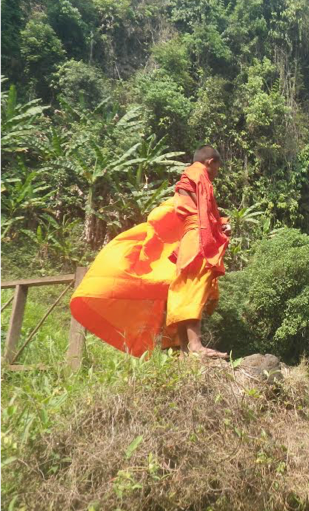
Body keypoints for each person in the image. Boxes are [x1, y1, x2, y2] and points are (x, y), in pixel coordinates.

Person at [70, 146, 230, 359]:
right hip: (197, 238)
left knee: (182, 288)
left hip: (190, 238)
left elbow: (191, 210)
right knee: (193, 287)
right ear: (210, 162)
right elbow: (201, 214)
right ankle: (195, 346)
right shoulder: (198, 173)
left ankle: (184, 349)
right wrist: (212, 233)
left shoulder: (188, 177)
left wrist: (219, 226)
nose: (216, 174)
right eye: (217, 168)